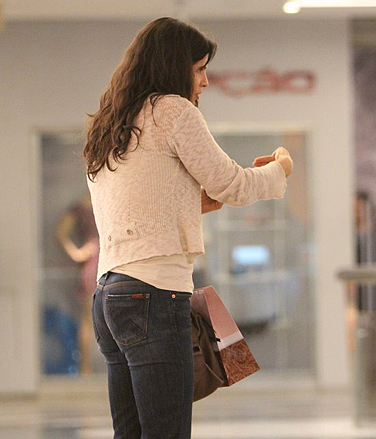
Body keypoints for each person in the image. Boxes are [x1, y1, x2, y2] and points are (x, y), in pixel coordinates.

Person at [83, 17, 292, 439]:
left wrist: (196, 205)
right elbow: (231, 183)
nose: (206, 81)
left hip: (111, 296)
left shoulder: (111, 124)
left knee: (131, 433)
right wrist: (280, 172)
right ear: (174, 67)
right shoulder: (173, 110)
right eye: (199, 69)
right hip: (153, 295)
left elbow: (149, 207)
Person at [56, 192, 99, 374]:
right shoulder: (83, 206)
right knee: (88, 318)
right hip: (94, 264)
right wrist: (77, 253)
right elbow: (61, 232)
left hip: (113, 261)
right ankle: (86, 368)